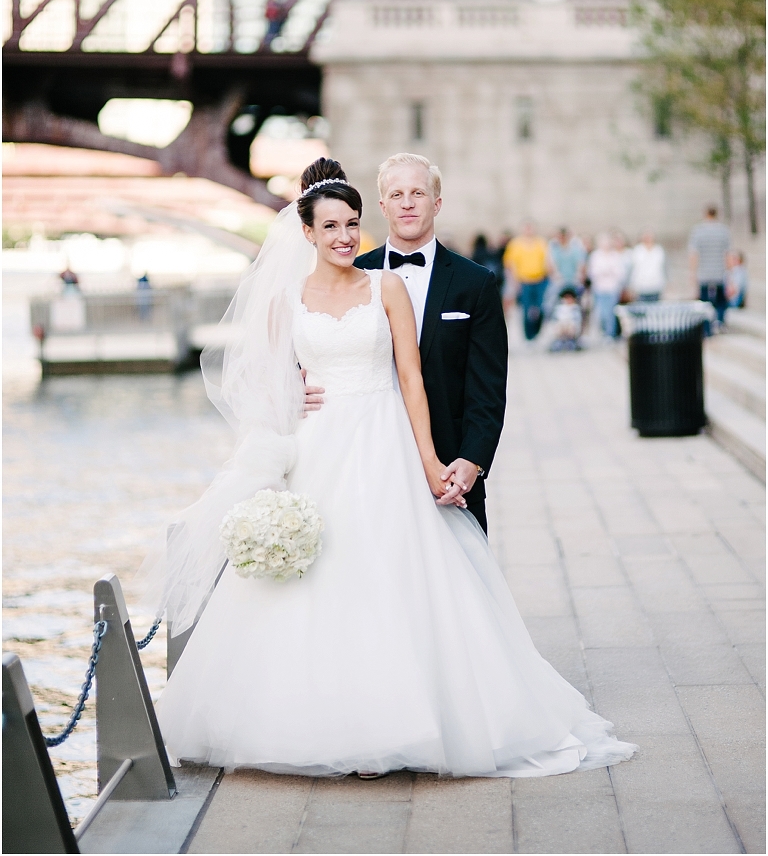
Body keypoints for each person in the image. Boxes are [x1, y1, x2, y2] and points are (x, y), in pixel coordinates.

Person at [149, 157, 636, 779]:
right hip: (320, 447)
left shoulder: (408, 286)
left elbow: (417, 380)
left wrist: (438, 463)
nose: (346, 235)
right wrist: (293, 395)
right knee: (319, 575)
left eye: (352, 224)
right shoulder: (291, 296)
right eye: (334, 225)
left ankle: (416, 716)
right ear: (310, 233)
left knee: (396, 573)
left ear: (433, 202)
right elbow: (262, 379)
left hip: (389, 445)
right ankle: (317, 716)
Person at [348, 153, 507, 534]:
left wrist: (472, 460)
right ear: (383, 205)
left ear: (436, 203)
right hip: (371, 457)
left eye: (417, 193)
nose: (407, 203)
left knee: (463, 586)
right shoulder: (355, 275)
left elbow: (488, 388)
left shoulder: (476, 283)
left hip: (452, 467)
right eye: (397, 194)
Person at [503, 221, 549, 341]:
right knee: (526, 309)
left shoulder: (541, 242)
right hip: (524, 281)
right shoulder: (515, 244)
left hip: (540, 280)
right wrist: (514, 281)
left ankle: (537, 331)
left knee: (540, 307)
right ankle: (528, 335)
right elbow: (510, 264)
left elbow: (547, 260)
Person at [688, 206, 731, 326]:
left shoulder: (698, 231)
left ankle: (707, 327)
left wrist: (693, 273)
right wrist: (730, 273)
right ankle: (720, 322)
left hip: (704, 272)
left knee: (704, 302)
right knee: (721, 301)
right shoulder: (723, 231)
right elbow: (727, 254)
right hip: (719, 271)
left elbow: (694, 254)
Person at [588, 234, 626, 338]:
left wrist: (608, 271)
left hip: (612, 288)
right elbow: (593, 272)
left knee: (611, 314)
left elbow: (619, 272)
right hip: (600, 288)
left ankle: (610, 334)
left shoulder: (615, 256)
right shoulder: (595, 256)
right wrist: (605, 271)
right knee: (601, 313)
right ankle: (603, 332)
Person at [629, 232, 666, 302]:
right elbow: (634, 269)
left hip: (656, 286)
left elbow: (662, 268)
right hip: (641, 287)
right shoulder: (638, 250)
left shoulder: (658, 250)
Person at [548, 287, 583, 352]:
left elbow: (577, 321)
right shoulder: (559, 308)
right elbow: (555, 319)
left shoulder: (575, 308)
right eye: (566, 298)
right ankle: (559, 343)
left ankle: (571, 343)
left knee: (571, 326)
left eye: (570, 298)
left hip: (571, 329)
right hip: (560, 328)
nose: (568, 300)